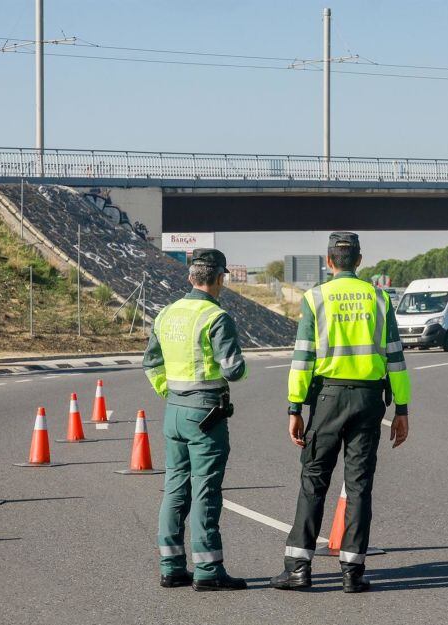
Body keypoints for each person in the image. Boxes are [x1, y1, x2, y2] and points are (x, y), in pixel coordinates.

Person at [271, 232, 411, 594]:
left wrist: (294, 407)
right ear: (360, 261)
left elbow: (302, 357)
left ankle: (299, 569)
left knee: (313, 481)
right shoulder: (379, 299)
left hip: (327, 399)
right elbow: (396, 357)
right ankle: (352, 571)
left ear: (328, 261)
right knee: (360, 485)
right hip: (368, 402)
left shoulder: (315, 298)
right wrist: (402, 408)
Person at [143, 248, 250, 591]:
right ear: (220, 279)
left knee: (175, 488)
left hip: (174, 408)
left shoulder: (166, 314)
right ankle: (208, 571)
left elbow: (151, 363)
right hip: (206, 412)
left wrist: (169, 392)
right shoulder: (216, 317)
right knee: (205, 490)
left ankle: (171, 567)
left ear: (190, 277)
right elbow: (234, 370)